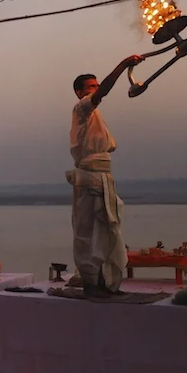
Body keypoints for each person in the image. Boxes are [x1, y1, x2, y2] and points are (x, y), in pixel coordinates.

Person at [67, 55, 144, 299]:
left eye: (96, 85)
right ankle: (92, 285)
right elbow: (104, 93)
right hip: (90, 179)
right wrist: (122, 65)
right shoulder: (82, 109)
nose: (96, 90)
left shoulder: (96, 117)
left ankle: (108, 284)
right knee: (89, 232)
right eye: (91, 86)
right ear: (80, 93)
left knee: (108, 231)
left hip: (103, 178)